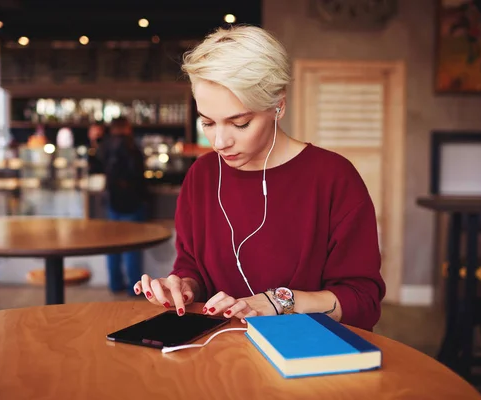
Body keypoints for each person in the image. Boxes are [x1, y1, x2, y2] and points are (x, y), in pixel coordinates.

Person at [134, 25, 385, 331]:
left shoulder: (334, 178)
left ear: (278, 105)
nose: (219, 142)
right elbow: (192, 267)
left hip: (307, 360)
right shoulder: (202, 176)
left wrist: (280, 301)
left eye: (240, 123)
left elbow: (363, 301)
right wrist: (184, 286)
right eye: (208, 122)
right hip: (217, 356)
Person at [98, 117, 148, 294]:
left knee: (114, 246)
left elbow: (98, 167)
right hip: (132, 202)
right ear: (127, 128)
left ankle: (115, 284)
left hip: (113, 202)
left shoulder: (105, 146)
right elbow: (139, 176)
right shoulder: (132, 147)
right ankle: (133, 288)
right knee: (132, 247)